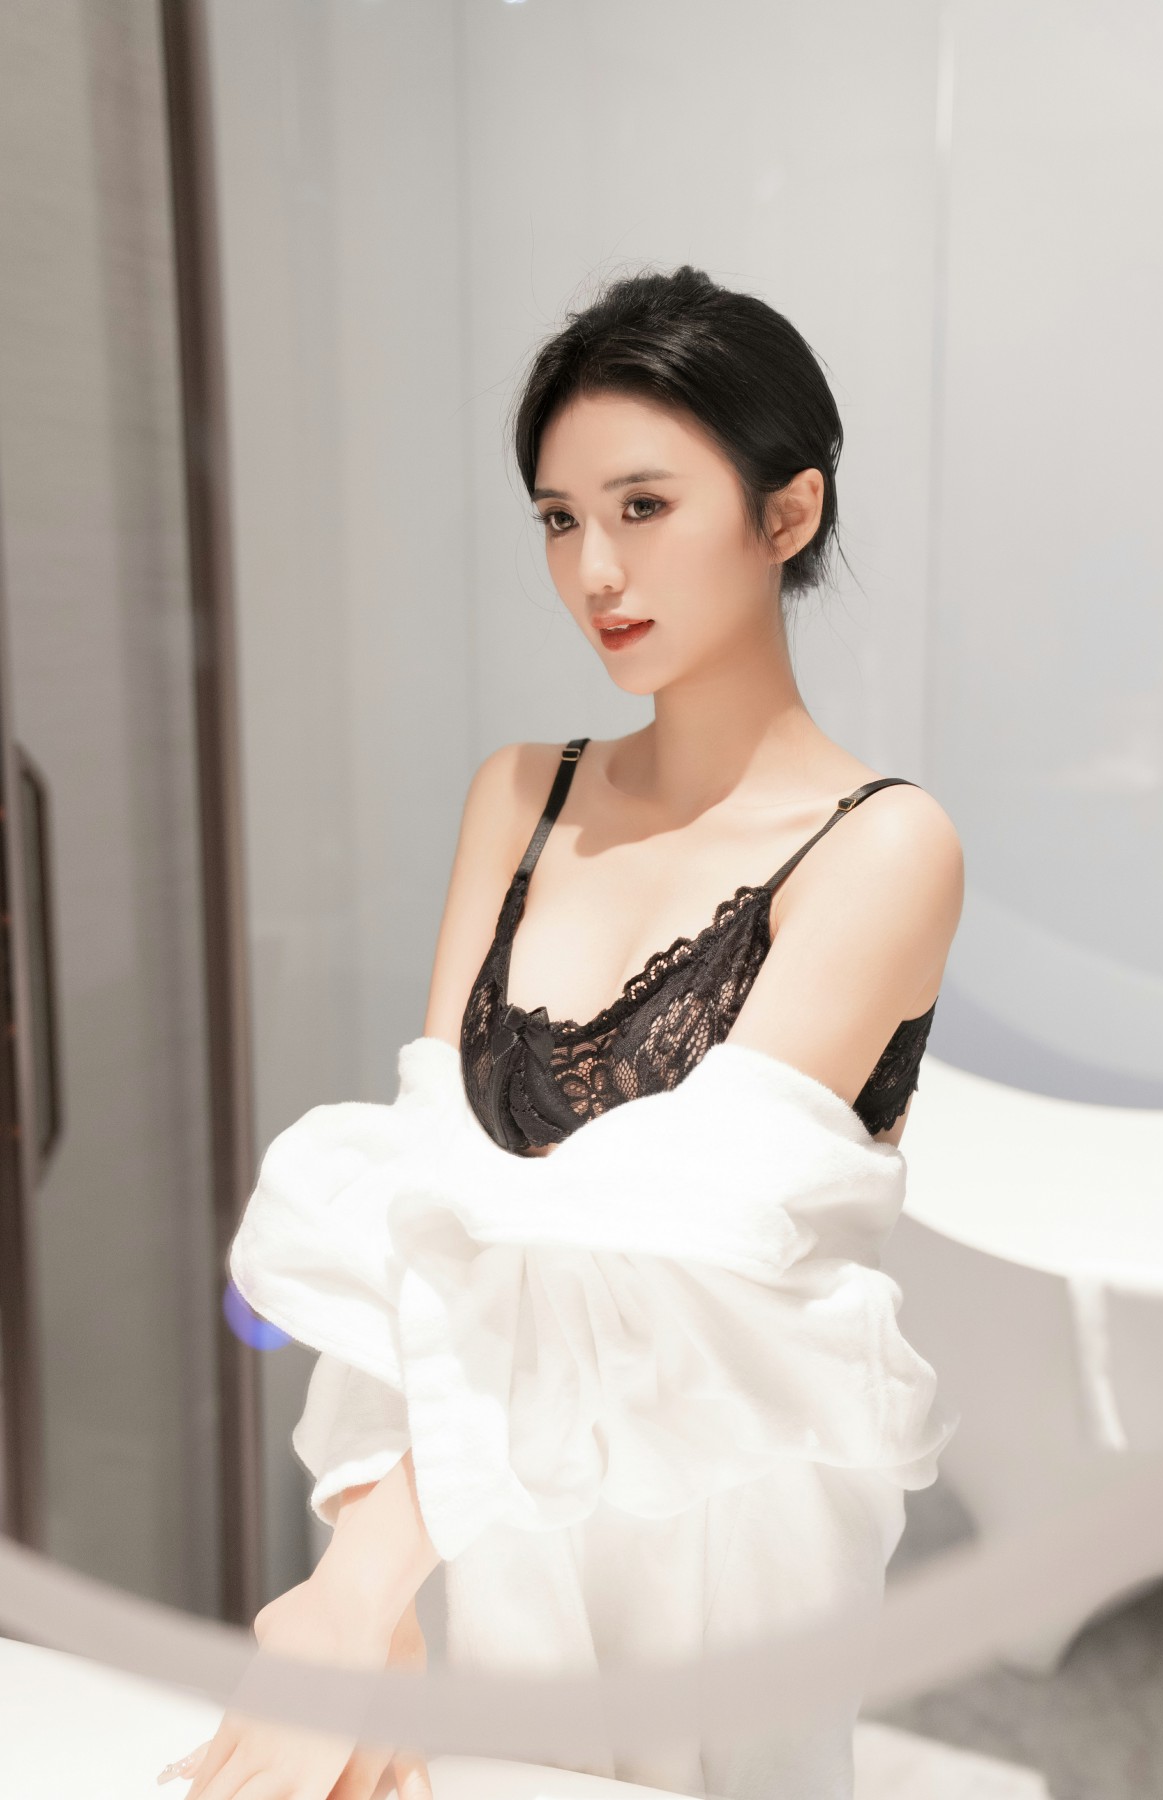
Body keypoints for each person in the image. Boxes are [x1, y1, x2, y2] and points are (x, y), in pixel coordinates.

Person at [168, 264, 963, 1800]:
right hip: (474, 1519)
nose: (595, 569)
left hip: (719, 1539)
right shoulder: (521, 796)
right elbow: (415, 1211)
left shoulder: (884, 845)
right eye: (557, 517)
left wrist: (353, 1592)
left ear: (787, 512)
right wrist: (365, 1583)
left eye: (644, 507)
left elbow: (671, 1265)